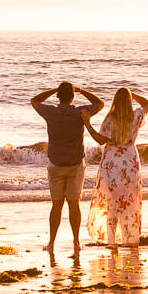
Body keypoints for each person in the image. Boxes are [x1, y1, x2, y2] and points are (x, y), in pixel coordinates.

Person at [31, 81, 103, 255]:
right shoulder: (79, 112)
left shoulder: (51, 112)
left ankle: (51, 243)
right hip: (75, 164)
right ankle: (76, 242)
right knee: (73, 204)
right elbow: (100, 103)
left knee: (56, 205)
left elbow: (34, 100)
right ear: (72, 97)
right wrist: (82, 90)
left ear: (58, 96)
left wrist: (54, 90)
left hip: (55, 164)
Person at [85, 86, 148, 246]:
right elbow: (146, 104)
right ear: (129, 101)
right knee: (129, 200)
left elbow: (100, 140)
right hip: (129, 161)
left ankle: (112, 241)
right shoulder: (135, 116)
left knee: (112, 202)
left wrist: (87, 124)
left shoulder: (110, 119)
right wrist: (130, 95)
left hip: (112, 162)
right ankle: (130, 239)